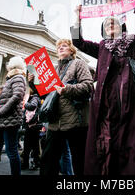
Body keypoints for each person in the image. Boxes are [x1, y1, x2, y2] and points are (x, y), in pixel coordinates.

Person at [72, 0, 135, 175]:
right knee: (108, 141)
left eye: (114, 22)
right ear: (103, 31)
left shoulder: (133, 42)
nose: (110, 23)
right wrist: (77, 17)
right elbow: (77, 41)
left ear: (122, 27)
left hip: (134, 100)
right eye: (107, 23)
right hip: (106, 103)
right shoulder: (101, 47)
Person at [38, 39, 93, 176]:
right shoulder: (54, 70)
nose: (61, 48)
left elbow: (88, 87)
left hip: (75, 121)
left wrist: (66, 89)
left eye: (64, 46)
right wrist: (34, 82)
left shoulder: (78, 63)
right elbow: (46, 94)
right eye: (59, 47)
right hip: (55, 122)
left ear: (71, 50)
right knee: (48, 161)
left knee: (79, 161)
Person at [21, 87, 41, 170]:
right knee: (34, 145)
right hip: (34, 125)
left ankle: (27, 163)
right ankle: (35, 162)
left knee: (28, 145)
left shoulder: (35, 98)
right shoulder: (35, 98)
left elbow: (32, 106)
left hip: (33, 125)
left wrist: (25, 103)